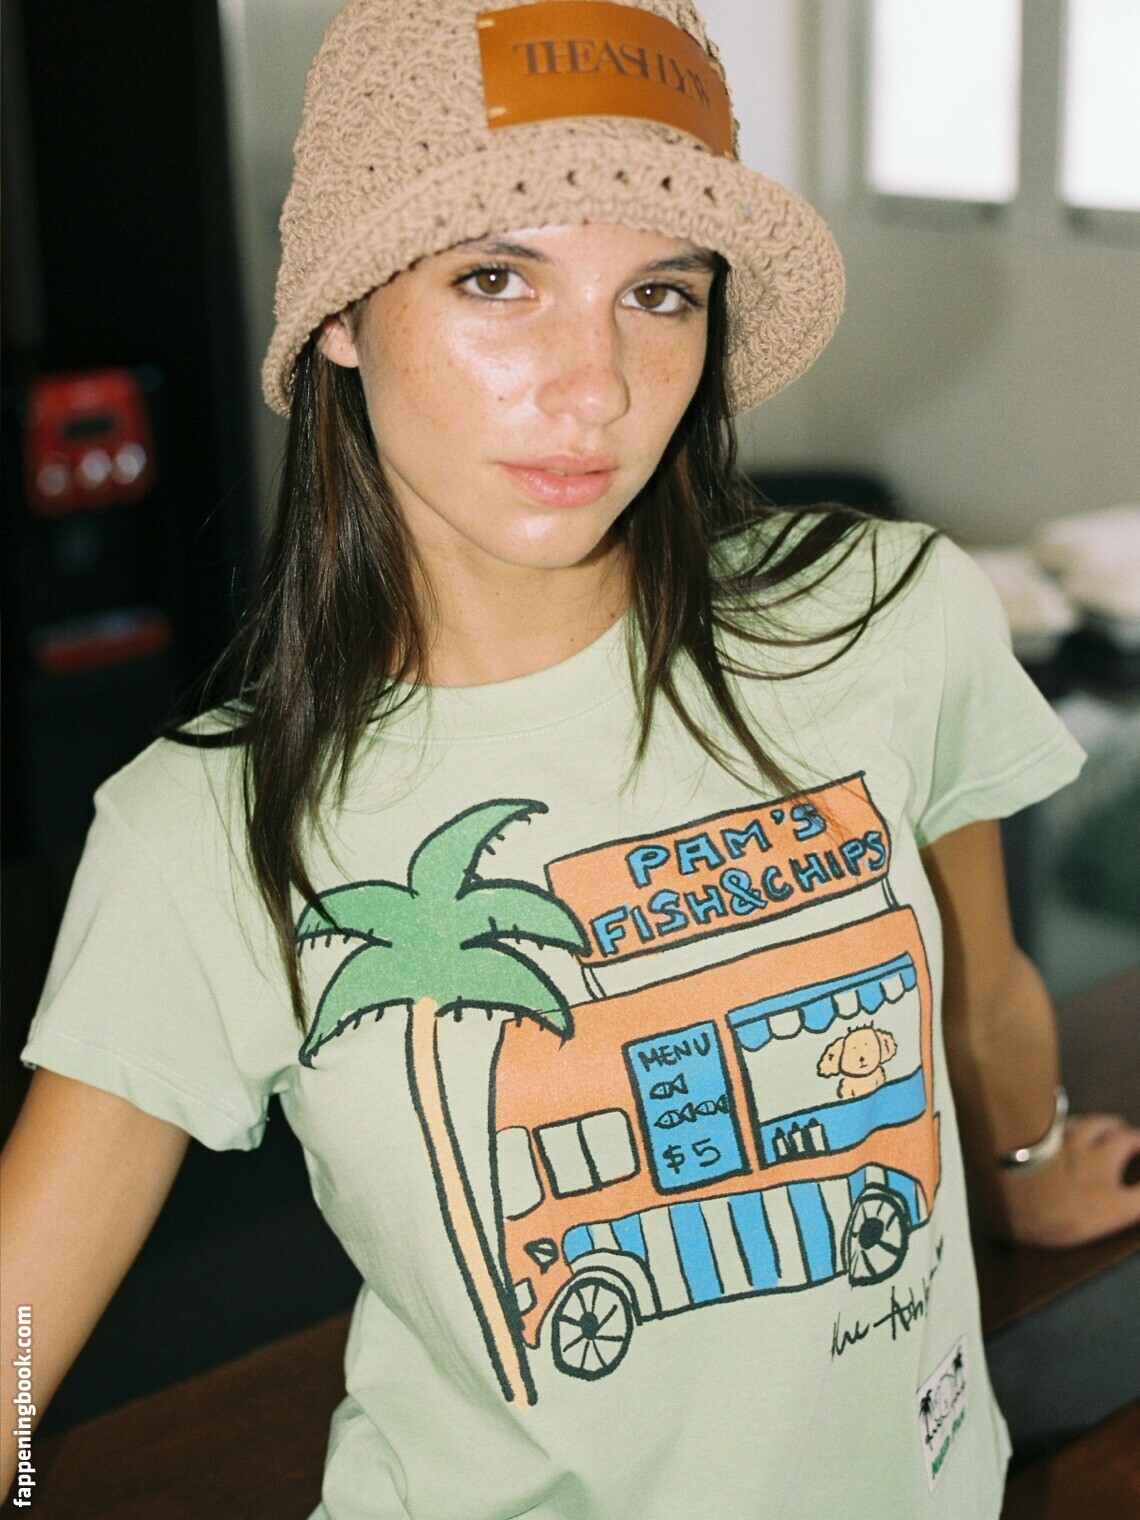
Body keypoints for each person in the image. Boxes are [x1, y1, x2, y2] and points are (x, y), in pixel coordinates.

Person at [2, 1, 1139, 1515]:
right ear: (342, 311)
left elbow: (977, 987)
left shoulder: (885, 617)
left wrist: (1028, 1174)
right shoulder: (211, 826)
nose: (594, 384)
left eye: (658, 295)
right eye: (497, 278)